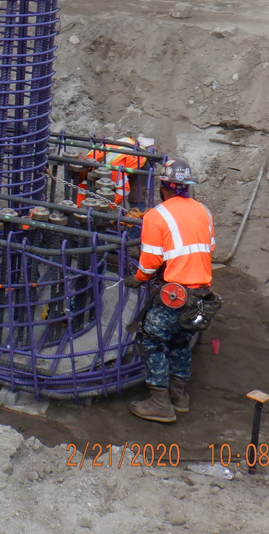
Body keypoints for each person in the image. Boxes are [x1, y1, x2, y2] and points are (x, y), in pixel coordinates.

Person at [126, 156, 217, 423]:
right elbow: (208, 248)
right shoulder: (204, 211)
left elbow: (150, 260)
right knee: (180, 341)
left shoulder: (157, 215)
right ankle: (180, 397)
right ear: (187, 186)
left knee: (150, 339)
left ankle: (159, 403)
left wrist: (138, 278)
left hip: (175, 295)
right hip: (202, 295)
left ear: (163, 186)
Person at [77, 137, 145, 209]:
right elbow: (82, 188)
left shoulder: (113, 169)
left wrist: (108, 208)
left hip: (138, 157)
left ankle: (139, 216)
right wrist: (79, 209)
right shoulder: (87, 160)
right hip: (124, 147)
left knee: (135, 199)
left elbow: (123, 190)